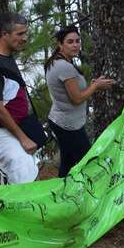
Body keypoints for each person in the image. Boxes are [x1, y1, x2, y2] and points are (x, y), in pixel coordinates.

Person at [0, 12, 39, 184]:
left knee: (28, 178)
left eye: (26, 33)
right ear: (4, 34)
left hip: (16, 130)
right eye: (20, 34)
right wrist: (23, 138)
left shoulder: (6, 57)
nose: (25, 38)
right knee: (25, 184)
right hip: (4, 133)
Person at [45, 25, 114, 177]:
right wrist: (95, 86)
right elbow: (76, 99)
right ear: (60, 44)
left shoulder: (56, 62)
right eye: (70, 42)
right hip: (68, 125)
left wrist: (92, 85)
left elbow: (69, 90)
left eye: (77, 41)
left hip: (60, 120)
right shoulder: (64, 67)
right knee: (89, 164)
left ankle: (63, 189)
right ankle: (93, 190)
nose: (75, 45)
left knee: (68, 163)